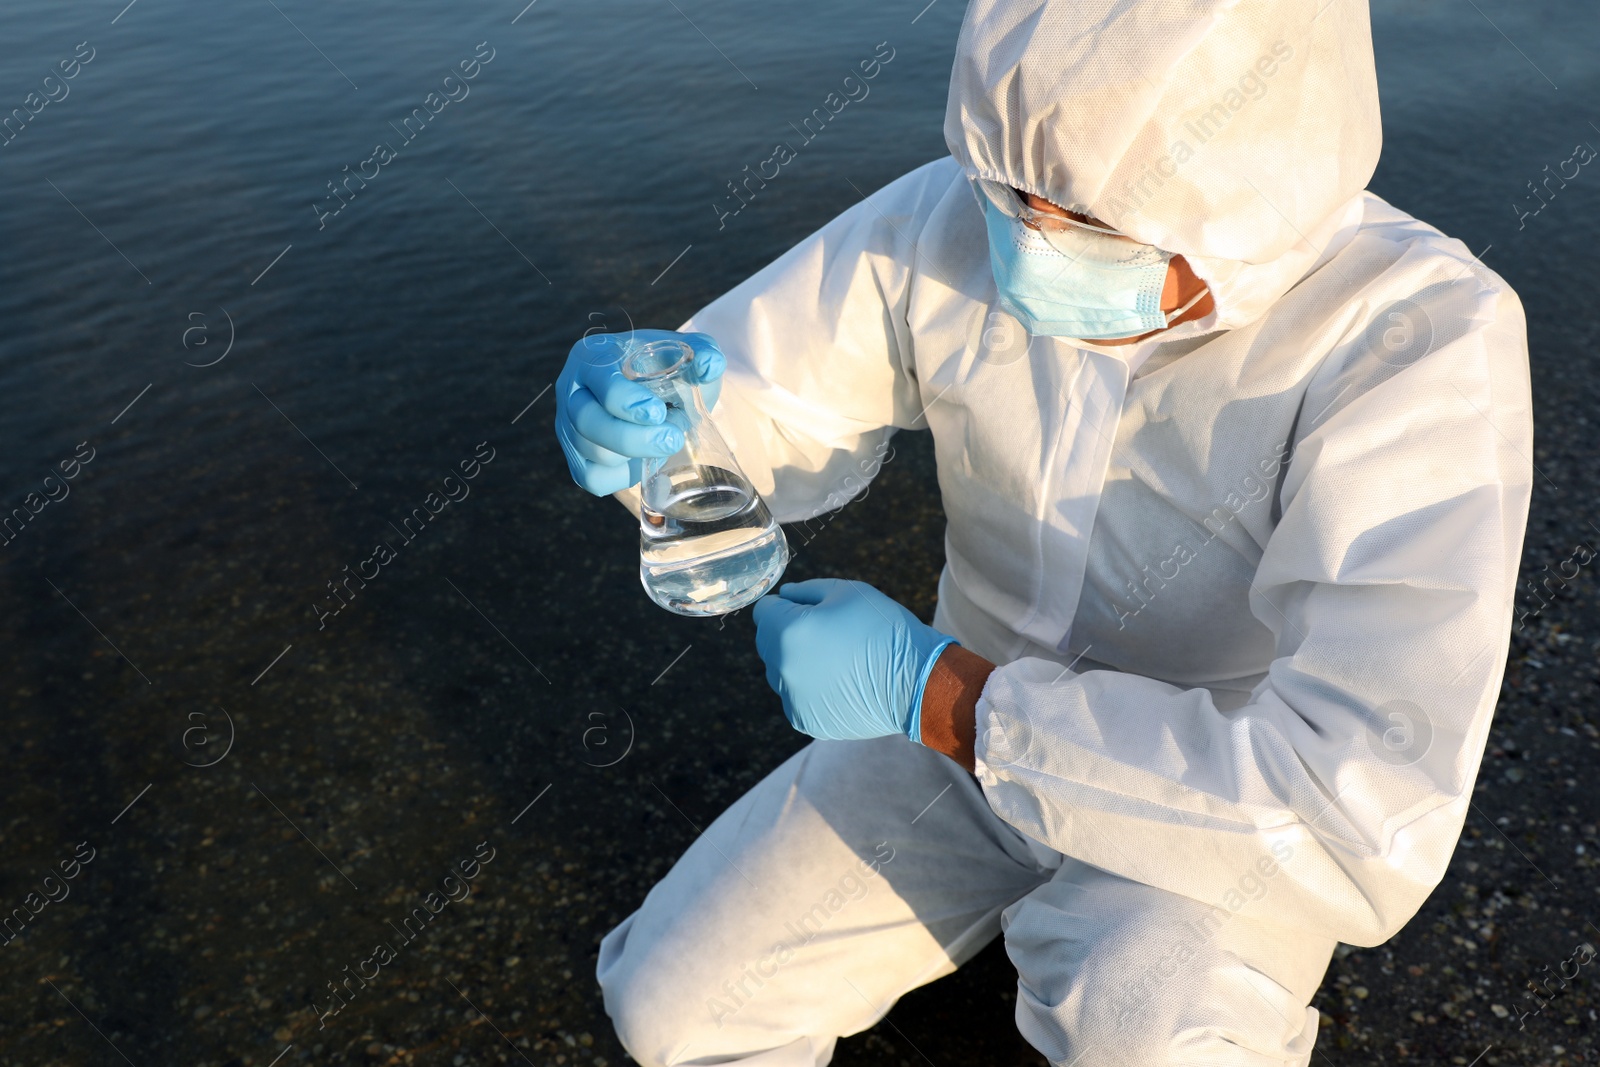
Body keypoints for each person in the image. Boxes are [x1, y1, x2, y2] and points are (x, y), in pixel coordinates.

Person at [555, 0, 1533, 1063]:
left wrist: (941, 696)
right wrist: (656, 431)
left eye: (1094, 222)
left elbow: (1360, 812)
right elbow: (758, 404)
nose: (1033, 241)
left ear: (1248, 196)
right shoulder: (962, 212)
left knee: (1150, 1033)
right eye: (1016, 189)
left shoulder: (1413, 339)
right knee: (675, 1002)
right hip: (940, 722)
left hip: (1205, 798)